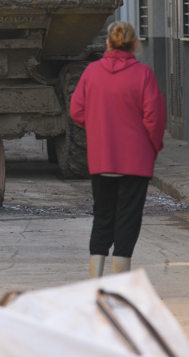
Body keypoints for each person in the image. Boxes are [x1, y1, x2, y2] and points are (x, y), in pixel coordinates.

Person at [69, 21, 166, 278]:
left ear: (108, 43)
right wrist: (153, 146)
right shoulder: (144, 74)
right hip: (136, 160)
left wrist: (98, 127)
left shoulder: (91, 72)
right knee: (128, 219)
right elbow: (154, 118)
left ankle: (95, 280)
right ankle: (120, 280)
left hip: (102, 158)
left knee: (102, 217)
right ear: (135, 45)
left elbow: (76, 110)